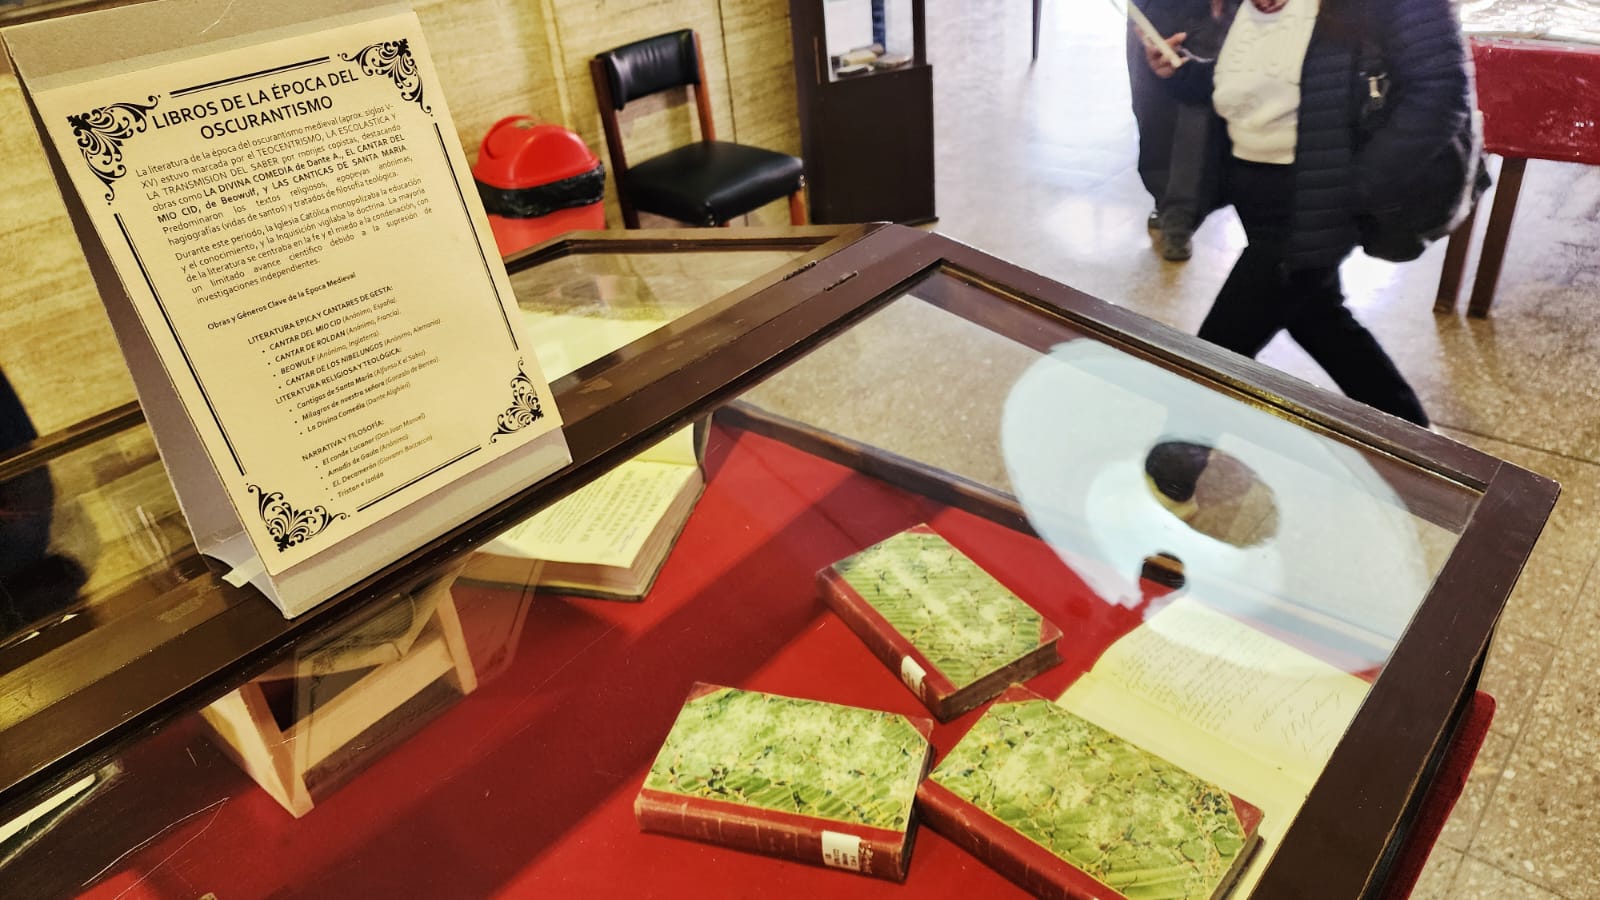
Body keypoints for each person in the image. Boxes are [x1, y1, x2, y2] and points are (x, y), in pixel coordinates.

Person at [1145, 0, 1473, 427]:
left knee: (1214, 358)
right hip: (1258, 196)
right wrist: (1184, 74)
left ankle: (1173, 457)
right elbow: (1268, 77)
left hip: (1316, 201)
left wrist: (1351, 190)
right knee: (1318, 318)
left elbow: (1439, 97)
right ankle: (1414, 443)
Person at [1124, 0, 1229, 262]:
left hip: (1203, 12)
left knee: (1192, 118)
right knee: (1150, 112)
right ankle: (1164, 202)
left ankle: (1179, 219)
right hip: (1149, 10)